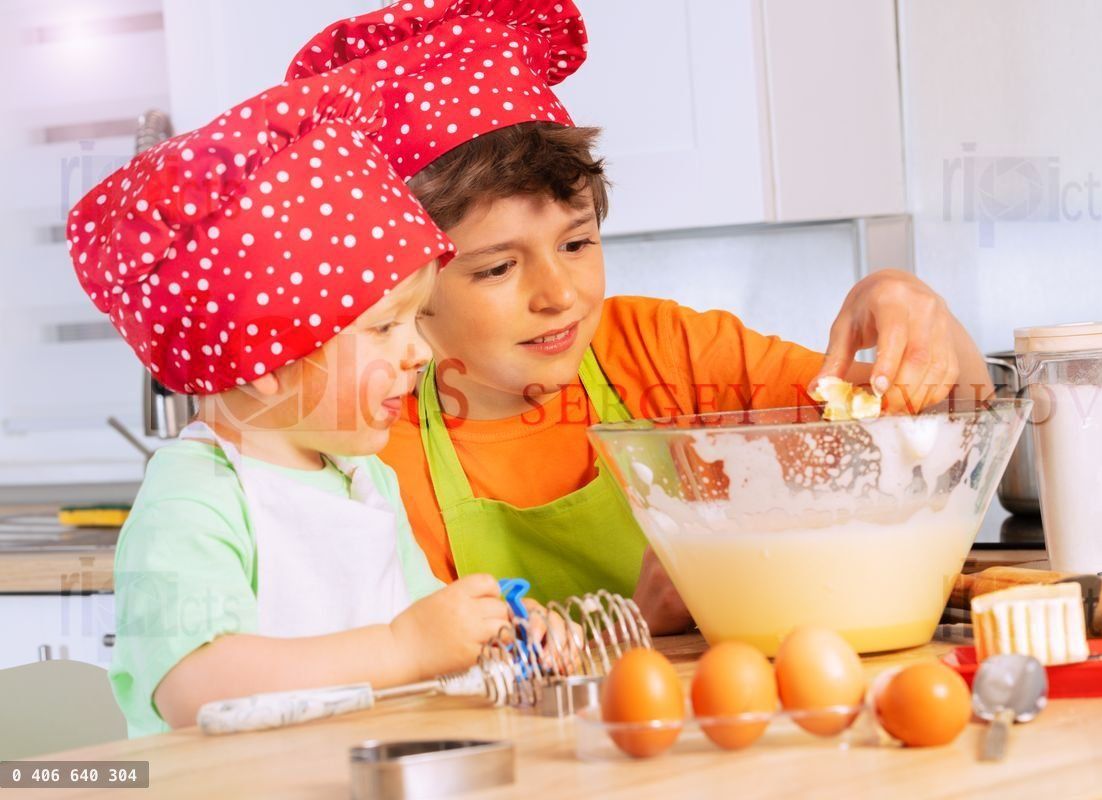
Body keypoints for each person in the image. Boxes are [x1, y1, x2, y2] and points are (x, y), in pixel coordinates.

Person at [289, 0, 991, 632]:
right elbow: (424, 676)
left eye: (577, 244)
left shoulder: (664, 352)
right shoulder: (377, 448)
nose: (558, 294)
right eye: (498, 268)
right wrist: (633, 622)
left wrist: (911, 303)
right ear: (410, 285)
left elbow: (951, 424)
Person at [67, 65, 514, 737]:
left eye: (416, 320)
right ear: (264, 361)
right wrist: (403, 647)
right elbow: (196, 687)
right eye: (384, 327)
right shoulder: (195, 496)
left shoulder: (367, 480)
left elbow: (427, 637)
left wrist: (491, 636)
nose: (420, 352)